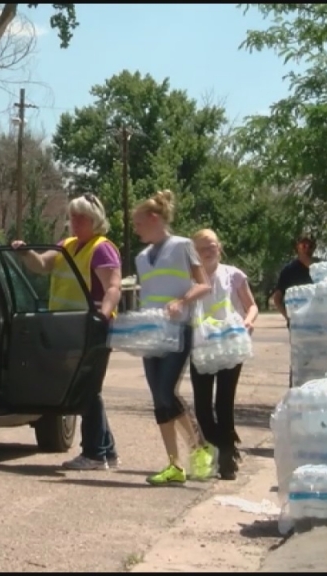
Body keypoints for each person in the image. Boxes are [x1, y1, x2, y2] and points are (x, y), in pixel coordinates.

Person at [11, 193, 123, 470]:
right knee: (87, 389)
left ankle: (95, 453)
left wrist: (103, 315)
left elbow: (113, 287)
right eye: (72, 216)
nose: (74, 222)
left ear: (95, 220)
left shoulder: (102, 248)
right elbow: (41, 265)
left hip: (92, 327)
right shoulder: (67, 245)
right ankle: (105, 451)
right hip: (69, 327)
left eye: (81, 217)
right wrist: (26, 252)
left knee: (87, 389)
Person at [131, 189, 216, 486]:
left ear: (154, 218)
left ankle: (201, 447)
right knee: (159, 398)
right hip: (151, 333)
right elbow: (148, 296)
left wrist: (182, 301)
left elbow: (203, 284)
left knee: (167, 391)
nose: (135, 228)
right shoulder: (141, 258)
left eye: (138, 223)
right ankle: (174, 465)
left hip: (179, 329)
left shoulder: (182, 246)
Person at [189, 229, 259, 480]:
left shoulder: (233, 275)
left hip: (230, 344)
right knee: (202, 406)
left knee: (224, 402)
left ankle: (226, 459)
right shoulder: (189, 278)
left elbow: (251, 305)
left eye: (212, 246)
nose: (208, 252)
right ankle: (223, 446)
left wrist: (248, 321)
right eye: (202, 248)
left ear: (220, 248)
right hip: (202, 346)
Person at [270, 235, 316, 388]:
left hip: (321, 323)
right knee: (299, 360)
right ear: (297, 246)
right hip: (299, 325)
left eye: (309, 245)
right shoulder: (289, 270)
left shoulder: (320, 268)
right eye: (303, 245)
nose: (306, 248)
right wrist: (288, 317)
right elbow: (277, 298)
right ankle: (296, 391)